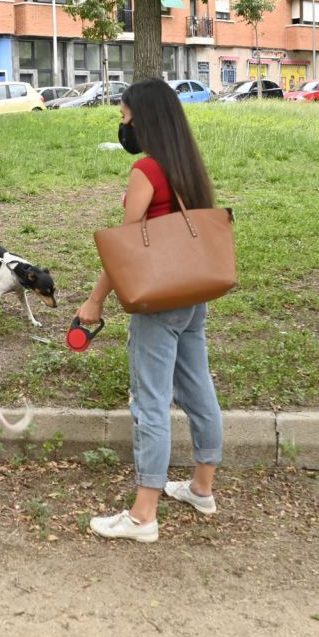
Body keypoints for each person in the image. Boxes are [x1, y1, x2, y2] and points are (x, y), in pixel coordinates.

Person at [77, 78, 225, 543]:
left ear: (144, 119)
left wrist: (95, 300)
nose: (123, 126)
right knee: (198, 387)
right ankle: (202, 488)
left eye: (124, 118)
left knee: (150, 402)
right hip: (193, 292)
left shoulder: (146, 169)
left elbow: (126, 248)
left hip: (158, 299)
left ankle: (143, 516)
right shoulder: (186, 163)